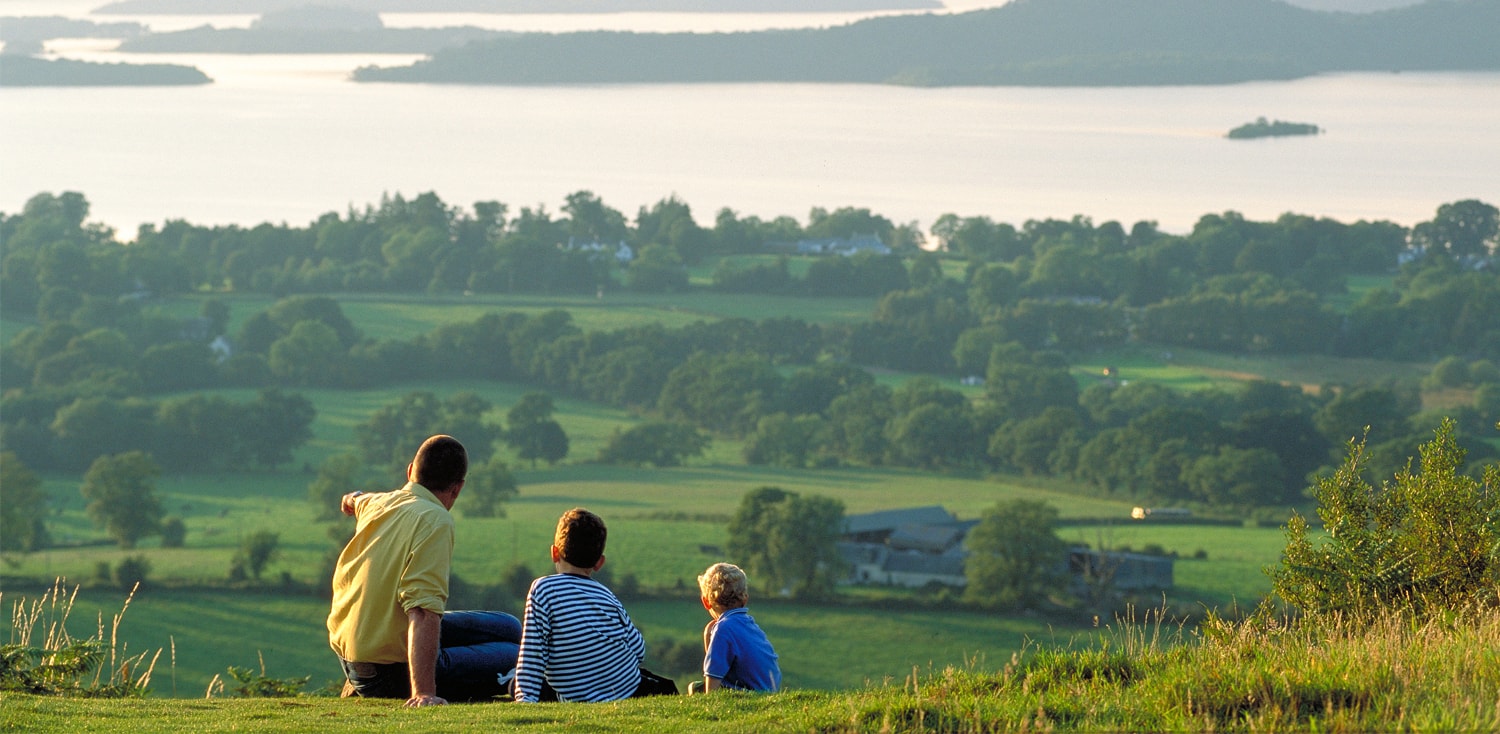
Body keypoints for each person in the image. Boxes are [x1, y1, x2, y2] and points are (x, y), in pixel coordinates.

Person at [327, 435, 520, 707]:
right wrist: (424, 692)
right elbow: (422, 609)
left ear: (410, 472)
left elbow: (357, 499)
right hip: (386, 671)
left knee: (508, 626)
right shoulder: (436, 520)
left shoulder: (379, 503)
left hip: (357, 651)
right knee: (517, 657)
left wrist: (351, 499)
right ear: (458, 489)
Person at [513, 507, 646, 703]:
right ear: (599, 563)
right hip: (627, 689)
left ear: (554, 553)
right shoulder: (607, 595)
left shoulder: (543, 589)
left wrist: (524, 699)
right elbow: (639, 650)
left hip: (576, 696)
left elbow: (532, 655)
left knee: (515, 677)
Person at [691, 562, 781, 694]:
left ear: (706, 602)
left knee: (694, 688)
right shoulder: (751, 626)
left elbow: (712, 684)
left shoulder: (723, 629)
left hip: (746, 696)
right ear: (745, 599)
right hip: (768, 692)